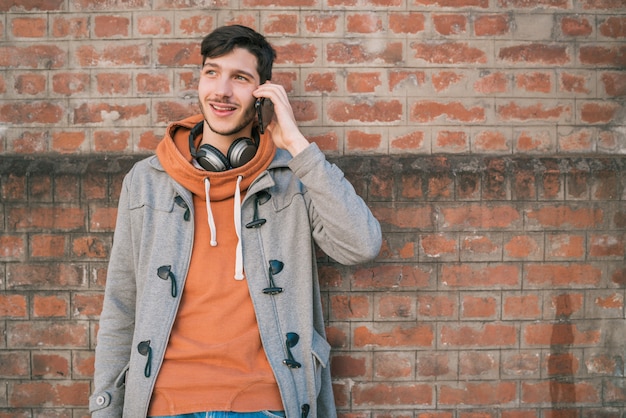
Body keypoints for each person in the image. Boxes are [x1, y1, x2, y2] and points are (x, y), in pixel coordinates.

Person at [89, 25, 382, 418]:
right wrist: (106, 408)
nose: (222, 90)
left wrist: (297, 145)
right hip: (165, 406)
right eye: (212, 72)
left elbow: (360, 245)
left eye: (240, 78)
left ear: (263, 92)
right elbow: (120, 307)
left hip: (267, 406)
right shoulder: (147, 181)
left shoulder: (291, 177)